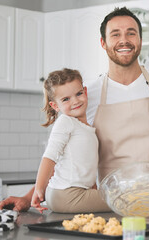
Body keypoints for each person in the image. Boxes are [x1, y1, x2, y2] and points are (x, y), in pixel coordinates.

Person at [0, 7, 149, 212]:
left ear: (140, 39)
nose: (124, 40)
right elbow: (65, 159)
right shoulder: (88, 95)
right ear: (103, 43)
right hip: (110, 206)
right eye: (115, 34)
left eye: (131, 33)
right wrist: (28, 197)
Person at [31, 68, 110, 213]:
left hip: (70, 194)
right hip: (66, 195)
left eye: (79, 94)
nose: (75, 101)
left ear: (85, 92)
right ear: (55, 106)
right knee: (121, 198)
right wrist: (39, 188)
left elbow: (86, 165)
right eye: (66, 99)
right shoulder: (66, 122)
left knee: (118, 199)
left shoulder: (86, 128)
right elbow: (50, 156)